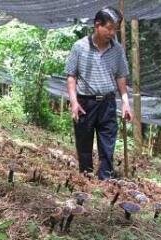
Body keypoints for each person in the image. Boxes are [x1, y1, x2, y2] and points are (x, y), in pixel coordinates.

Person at [65, 6, 133, 180]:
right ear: (97, 25)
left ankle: (106, 179)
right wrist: (74, 102)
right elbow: (71, 76)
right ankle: (85, 177)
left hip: (108, 103)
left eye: (115, 29)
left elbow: (121, 77)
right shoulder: (79, 47)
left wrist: (125, 102)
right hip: (85, 102)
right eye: (109, 28)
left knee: (107, 143)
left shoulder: (117, 50)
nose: (112, 33)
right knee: (84, 143)